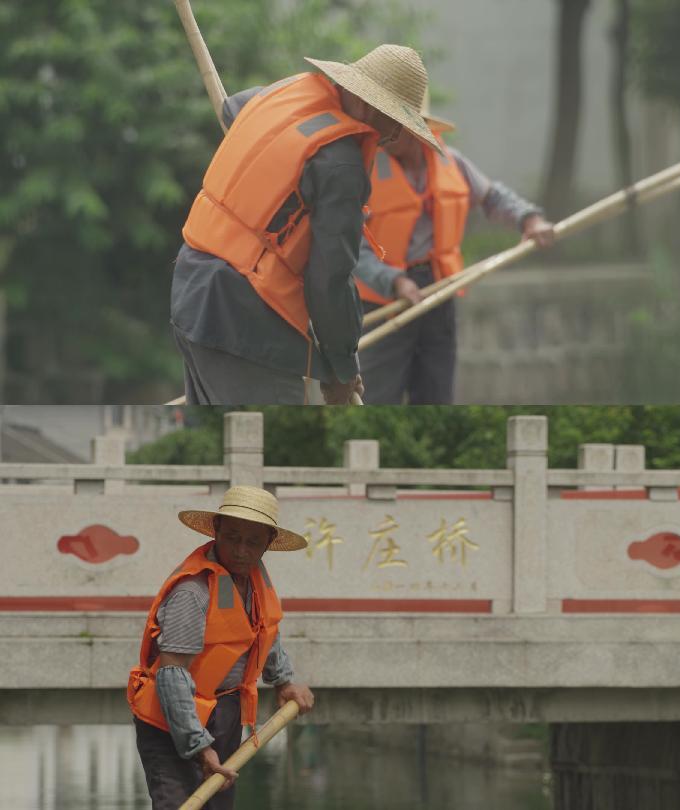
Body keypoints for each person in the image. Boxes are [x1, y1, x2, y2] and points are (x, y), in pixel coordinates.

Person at [170, 44, 442, 405]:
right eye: (397, 122)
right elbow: (330, 280)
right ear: (371, 104)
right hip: (243, 320)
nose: (394, 137)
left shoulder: (283, 93)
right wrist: (343, 371)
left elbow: (230, 110)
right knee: (273, 451)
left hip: (192, 289)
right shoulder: (342, 166)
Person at [352, 94, 556, 404]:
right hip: (382, 302)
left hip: (439, 293)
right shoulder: (364, 171)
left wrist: (529, 219)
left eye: (395, 126)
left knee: (437, 394)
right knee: (378, 396)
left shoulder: (452, 162)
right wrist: (393, 281)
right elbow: (352, 248)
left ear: (417, 128)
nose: (385, 135)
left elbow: (493, 198)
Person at [128, 486, 316, 809]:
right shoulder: (193, 591)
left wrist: (284, 681)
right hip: (171, 719)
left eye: (253, 542)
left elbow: (262, 631)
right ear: (216, 530)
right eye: (232, 537)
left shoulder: (254, 577)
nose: (241, 550)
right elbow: (172, 676)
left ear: (268, 543)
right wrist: (200, 747)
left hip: (223, 715)